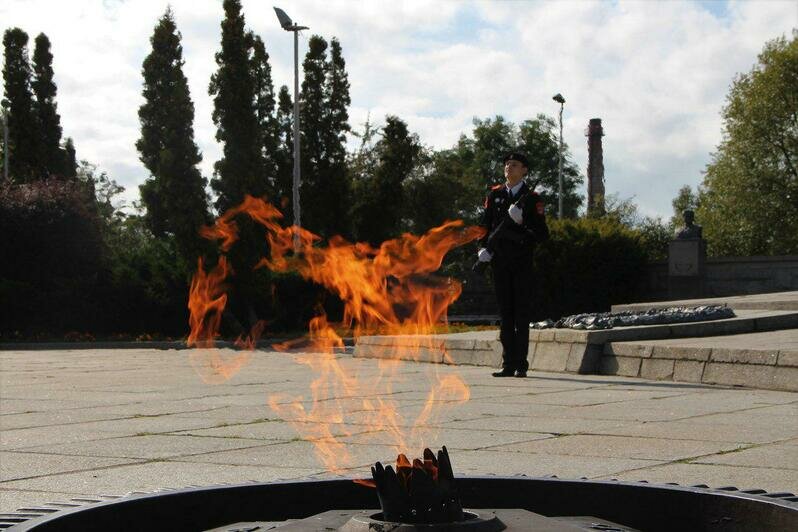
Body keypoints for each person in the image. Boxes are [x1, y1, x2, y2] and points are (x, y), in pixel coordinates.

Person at [477, 151, 549, 378]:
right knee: (505, 314)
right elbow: (484, 226)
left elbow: (542, 235)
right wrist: (481, 248)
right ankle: (508, 363)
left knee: (521, 314)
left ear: (524, 170)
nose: (509, 168)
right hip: (499, 262)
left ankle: (521, 364)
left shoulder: (532, 198)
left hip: (521, 263)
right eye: (507, 165)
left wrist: (520, 224)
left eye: (514, 165)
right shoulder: (495, 195)